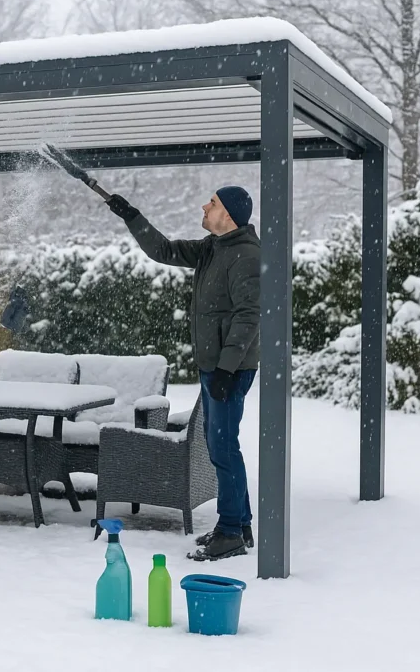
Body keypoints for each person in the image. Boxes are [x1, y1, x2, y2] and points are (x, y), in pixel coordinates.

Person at [104, 187, 260, 561]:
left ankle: (230, 533)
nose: (205, 206)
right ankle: (239, 526)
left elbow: (249, 315)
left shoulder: (247, 256)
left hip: (230, 370)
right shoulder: (212, 247)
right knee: (220, 445)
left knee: (223, 448)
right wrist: (131, 216)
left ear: (231, 215)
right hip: (214, 367)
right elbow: (164, 250)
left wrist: (226, 368)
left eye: (214, 203)